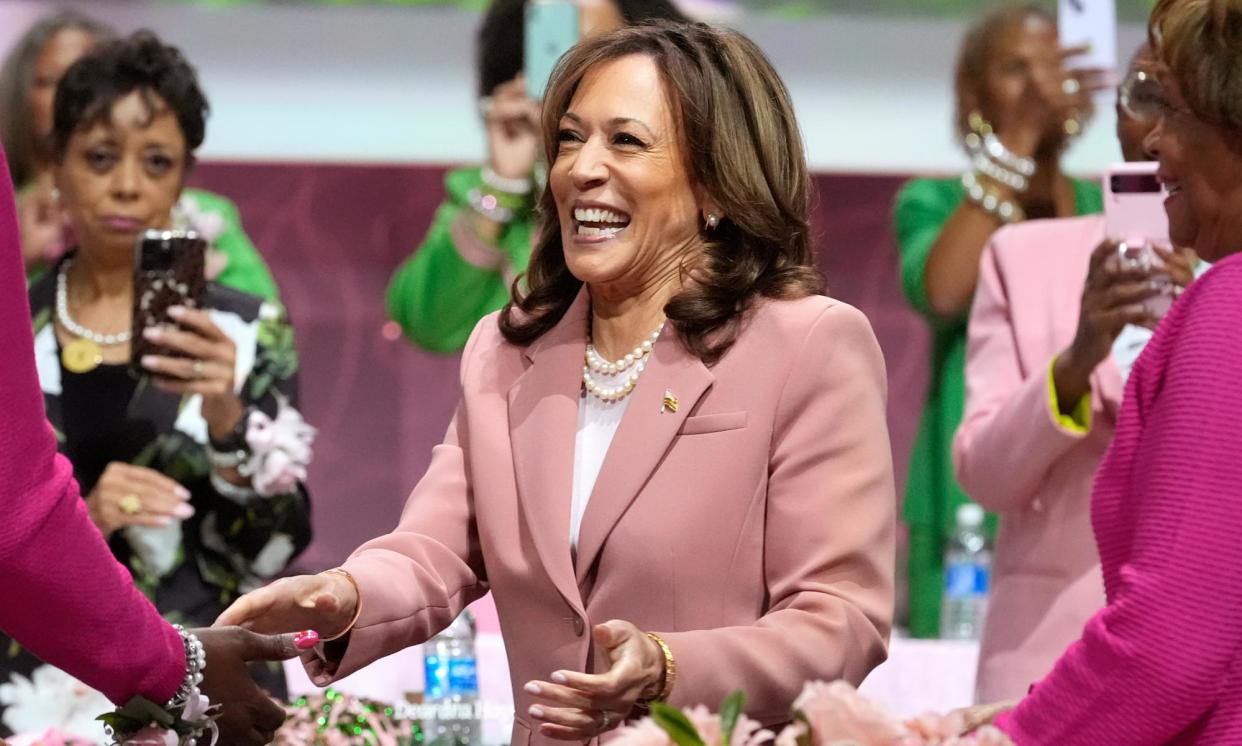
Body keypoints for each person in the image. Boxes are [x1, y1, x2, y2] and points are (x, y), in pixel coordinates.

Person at [220, 21, 896, 744]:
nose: (580, 169)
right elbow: (437, 547)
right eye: (571, 139)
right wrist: (343, 595)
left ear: (717, 189)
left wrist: (671, 666)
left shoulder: (806, 343)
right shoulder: (506, 349)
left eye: (626, 142)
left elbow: (840, 617)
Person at [0, 29, 313, 726]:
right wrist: (79, 520)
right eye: (101, 157)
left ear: (185, 175)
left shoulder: (246, 328)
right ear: (53, 165)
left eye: (158, 161)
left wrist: (228, 415)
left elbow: (279, 546)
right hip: (42, 694)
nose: (128, 185)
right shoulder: (15, 330)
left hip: (210, 675)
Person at [983, 0, 1242, 741]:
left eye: (1175, 110)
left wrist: (1013, 738)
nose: (1151, 141)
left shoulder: (1229, 304)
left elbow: (1169, 646)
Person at [952, 43, 1199, 703]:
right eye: (1142, 97)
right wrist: (1077, 359)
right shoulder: (1023, 257)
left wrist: (1203, 323)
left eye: (1183, 104)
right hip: (1043, 664)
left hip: (1205, 671)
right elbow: (984, 474)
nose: (1156, 130)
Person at [894, 3, 1109, 638]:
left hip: (1086, 500)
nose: (1040, 84)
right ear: (974, 93)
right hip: (969, 505)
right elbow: (941, 291)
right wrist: (1015, 140)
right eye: (1017, 68)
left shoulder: (1106, 206)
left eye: (1051, 65)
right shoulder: (930, 201)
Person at [385, 0, 687, 353]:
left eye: (599, 54)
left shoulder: (672, 185)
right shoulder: (484, 194)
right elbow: (429, 325)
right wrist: (504, 183)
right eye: (554, 51)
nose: (572, 73)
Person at [0, 9, 280, 299]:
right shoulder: (10, 216)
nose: (127, 187)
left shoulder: (203, 221)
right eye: (54, 79)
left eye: (157, 162)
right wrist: (13, 261)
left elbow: (267, 328)